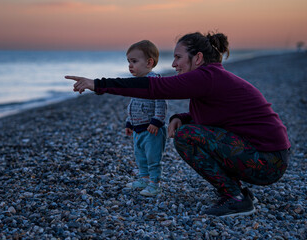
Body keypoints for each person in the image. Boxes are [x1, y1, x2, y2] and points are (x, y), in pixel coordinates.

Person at [65, 32, 290, 217]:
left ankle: (236, 199)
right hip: (268, 158)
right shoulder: (211, 79)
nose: (173, 64)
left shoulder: (206, 77)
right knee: (187, 129)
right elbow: (219, 118)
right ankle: (238, 194)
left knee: (186, 136)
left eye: (178, 57)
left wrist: (98, 84)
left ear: (198, 58)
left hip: (267, 161)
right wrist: (180, 117)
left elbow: (154, 88)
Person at [123, 40, 167, 196]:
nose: (130, 65)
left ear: (149, 62)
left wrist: (157, 121)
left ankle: (155, 184)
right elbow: (133, 103)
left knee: (153, 158)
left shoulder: (155, 81)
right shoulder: (137, 83)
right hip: (138, 128)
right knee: (140, 157)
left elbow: (161, 103)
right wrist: (129, 122)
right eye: (129, 61)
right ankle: (144, 179)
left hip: (152, 129)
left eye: (134, 61)